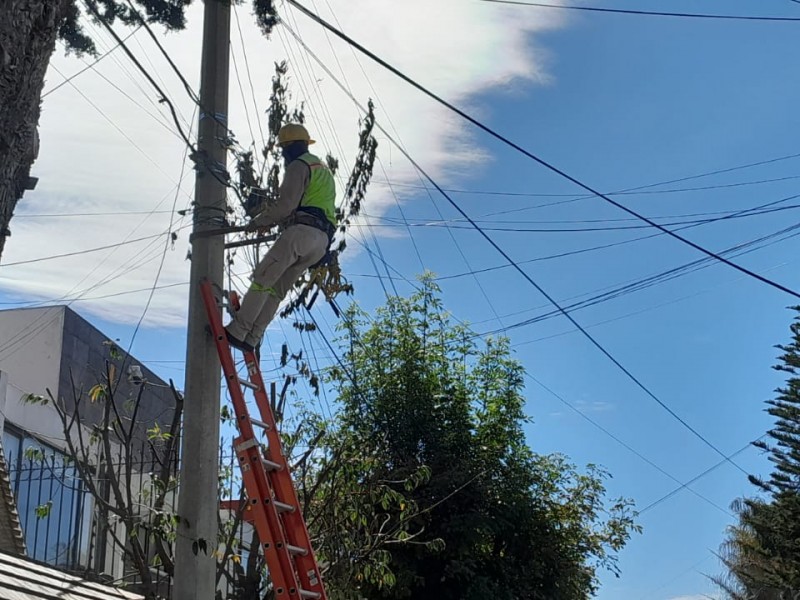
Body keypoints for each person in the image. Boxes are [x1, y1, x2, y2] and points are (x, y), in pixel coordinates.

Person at [225, 123, 336, 353]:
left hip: (301, 234)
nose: (283, 154)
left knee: (263, 278)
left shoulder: (299, 165)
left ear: (291, 147)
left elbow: (285, 206)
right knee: (277, 290)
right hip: (321, 242)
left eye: (284, 149)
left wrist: (258, 222)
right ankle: (253, 337)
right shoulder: (323, 169)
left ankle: (238, 330)